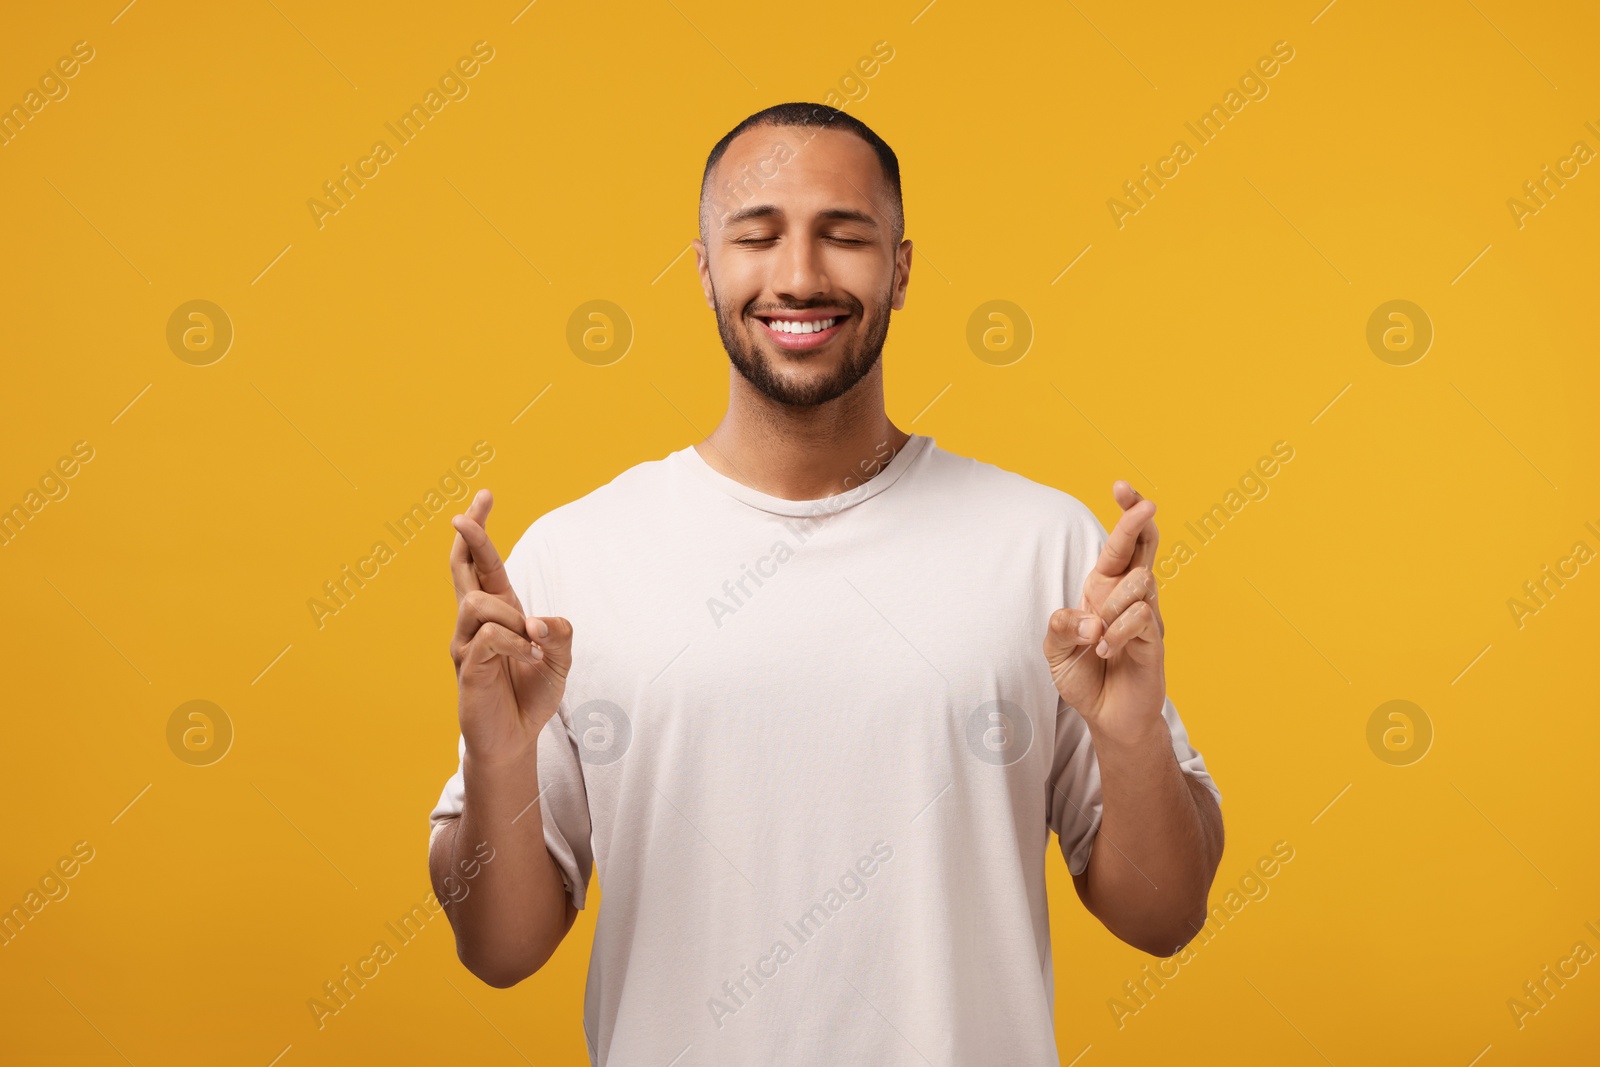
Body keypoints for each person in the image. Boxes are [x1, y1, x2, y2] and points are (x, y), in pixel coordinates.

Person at [427, 102, 1224, 1066]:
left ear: (899, 268)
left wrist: (1132, 735)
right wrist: (496, 754)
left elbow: (1164, 915)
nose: (799, 276)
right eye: (756, 237)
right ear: (704, 268)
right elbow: (501, 949)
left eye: (844, 236)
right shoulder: (573, 562)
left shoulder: (1045, 548)